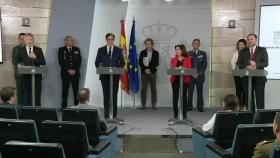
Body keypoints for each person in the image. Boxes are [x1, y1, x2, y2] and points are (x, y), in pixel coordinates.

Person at [95, 33, 125, 119]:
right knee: (106, 94)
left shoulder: (118, 50)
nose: (110, 41)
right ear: (106, 40)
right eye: (109, 39)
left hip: (114, 76)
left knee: (114, 94)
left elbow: (122, 62)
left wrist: (116, 68)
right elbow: (97, 62)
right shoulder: (101, 50)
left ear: (113, 40)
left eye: (112, 39)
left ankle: (114, 113)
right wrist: (101, 68)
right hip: (104, 76)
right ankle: (106, 113)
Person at [237, 34, 268, 111]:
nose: (250, 41)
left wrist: (256, 65)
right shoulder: (243, 51)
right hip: (247, 79)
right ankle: (251, 117)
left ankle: (260, 119)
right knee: (249, 100)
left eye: (251, 39)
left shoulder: (262, 50)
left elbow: (265, 63)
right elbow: (238, 63)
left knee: (260, 100)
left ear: (256, 40)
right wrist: (246, 66)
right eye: (248, 39)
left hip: (259, 79)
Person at [16, 33, 46, 106]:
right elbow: (17, 61)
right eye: (27, 39)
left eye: (31, 39)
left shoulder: (38, 50)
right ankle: (28, 112)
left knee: (37, 95)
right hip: (26, 77)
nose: (29, 41)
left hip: (37, 77)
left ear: (33, 40)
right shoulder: (21, 50)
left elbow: (43, 63)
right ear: (25, 41)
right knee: (28, 95)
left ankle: (38, 112)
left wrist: (35, 58)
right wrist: (19, 64)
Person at [58, 35, 82, 110]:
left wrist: (74, 70)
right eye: (70, 40)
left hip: (75, 73)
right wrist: (68, 69)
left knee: (76, 90)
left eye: (72, 40)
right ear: (66, 41)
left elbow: (79, 61)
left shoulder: (77, 49)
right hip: (65, 74)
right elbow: (61, 62)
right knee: (65, 90)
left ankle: (77, 106)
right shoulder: (61, 50)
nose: (72, 41)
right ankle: (63, 106)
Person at [169, 44, 191, 121]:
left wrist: (184, 68)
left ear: (182, 50)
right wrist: (176, 68)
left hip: (184, 80)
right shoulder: (173, 59)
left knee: (184, 97)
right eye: (176, 49)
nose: (176, 51)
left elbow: (189, 69)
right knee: (175, 97)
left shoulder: (187, 58)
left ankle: (184, 115)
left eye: (178, 49)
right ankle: (175, 115)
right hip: (175, 80)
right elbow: (172, 69)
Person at [138, 38, 159, 110]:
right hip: (144, 73)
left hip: (152, 73)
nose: (148, 45)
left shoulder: (156, 53)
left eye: (149, 44)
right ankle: (143, 104)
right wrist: (145, 69)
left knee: (153, 88)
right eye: (146, 44)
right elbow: (140, 63)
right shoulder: (142, 52)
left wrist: (150, 70)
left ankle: (154, 104)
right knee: (143, 88)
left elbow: (156, 63)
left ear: (152, 44)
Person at [187, 38, 207, 112]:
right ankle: (189, 106)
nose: (195, 44)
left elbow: (204, 65)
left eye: (197, 43)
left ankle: (200, 107)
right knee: (190, 92)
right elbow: (187, 65)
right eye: (194, 43)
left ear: (199, 45)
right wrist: (192, 73)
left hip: (200, 76)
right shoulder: (188, 53)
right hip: (190, 76)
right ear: (192, 44)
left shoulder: (203, 53)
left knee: (200, 92)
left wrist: (199, 73)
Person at [230, 39, 247, 110]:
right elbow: (232, 64)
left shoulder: (247, 53)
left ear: (245, 45)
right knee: (238, 91)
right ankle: (238, 107)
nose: (240, 46)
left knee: (245, 91)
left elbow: (247, 64)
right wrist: (238, 70)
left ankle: (244, 106)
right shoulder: (235, 53)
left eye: (242, 44)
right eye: (239, 44)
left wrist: (242, 71)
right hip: (237, 74)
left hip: (245, 75)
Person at [12, 33, 25, 106]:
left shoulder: (29, 48)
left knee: (27, 92)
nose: (22, 40)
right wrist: (22, 63)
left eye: (24, 39)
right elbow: (14, 61)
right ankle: (20, 108)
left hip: (28, 75)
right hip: (19, 75)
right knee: (20, 93)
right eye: (21, 39)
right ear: (19, 39)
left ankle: (26, 109)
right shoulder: (15, 49)